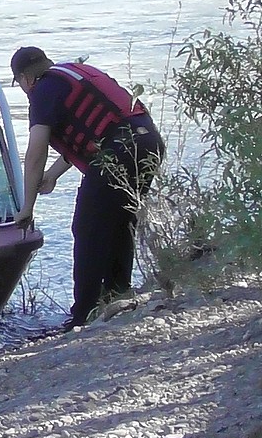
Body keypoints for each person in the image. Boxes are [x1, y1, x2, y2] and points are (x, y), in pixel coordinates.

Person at [11, 46, 165, 330]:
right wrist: (53, 175)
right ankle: (117, 296)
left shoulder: (43, 90)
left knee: (87, 228)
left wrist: (27, 207)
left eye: (19, 84)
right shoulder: (73, 76)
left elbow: (35, 153)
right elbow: (97, 127)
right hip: (148, 142)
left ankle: (83, 314)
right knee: (119, 222)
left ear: (25, 78)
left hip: (118, 150)